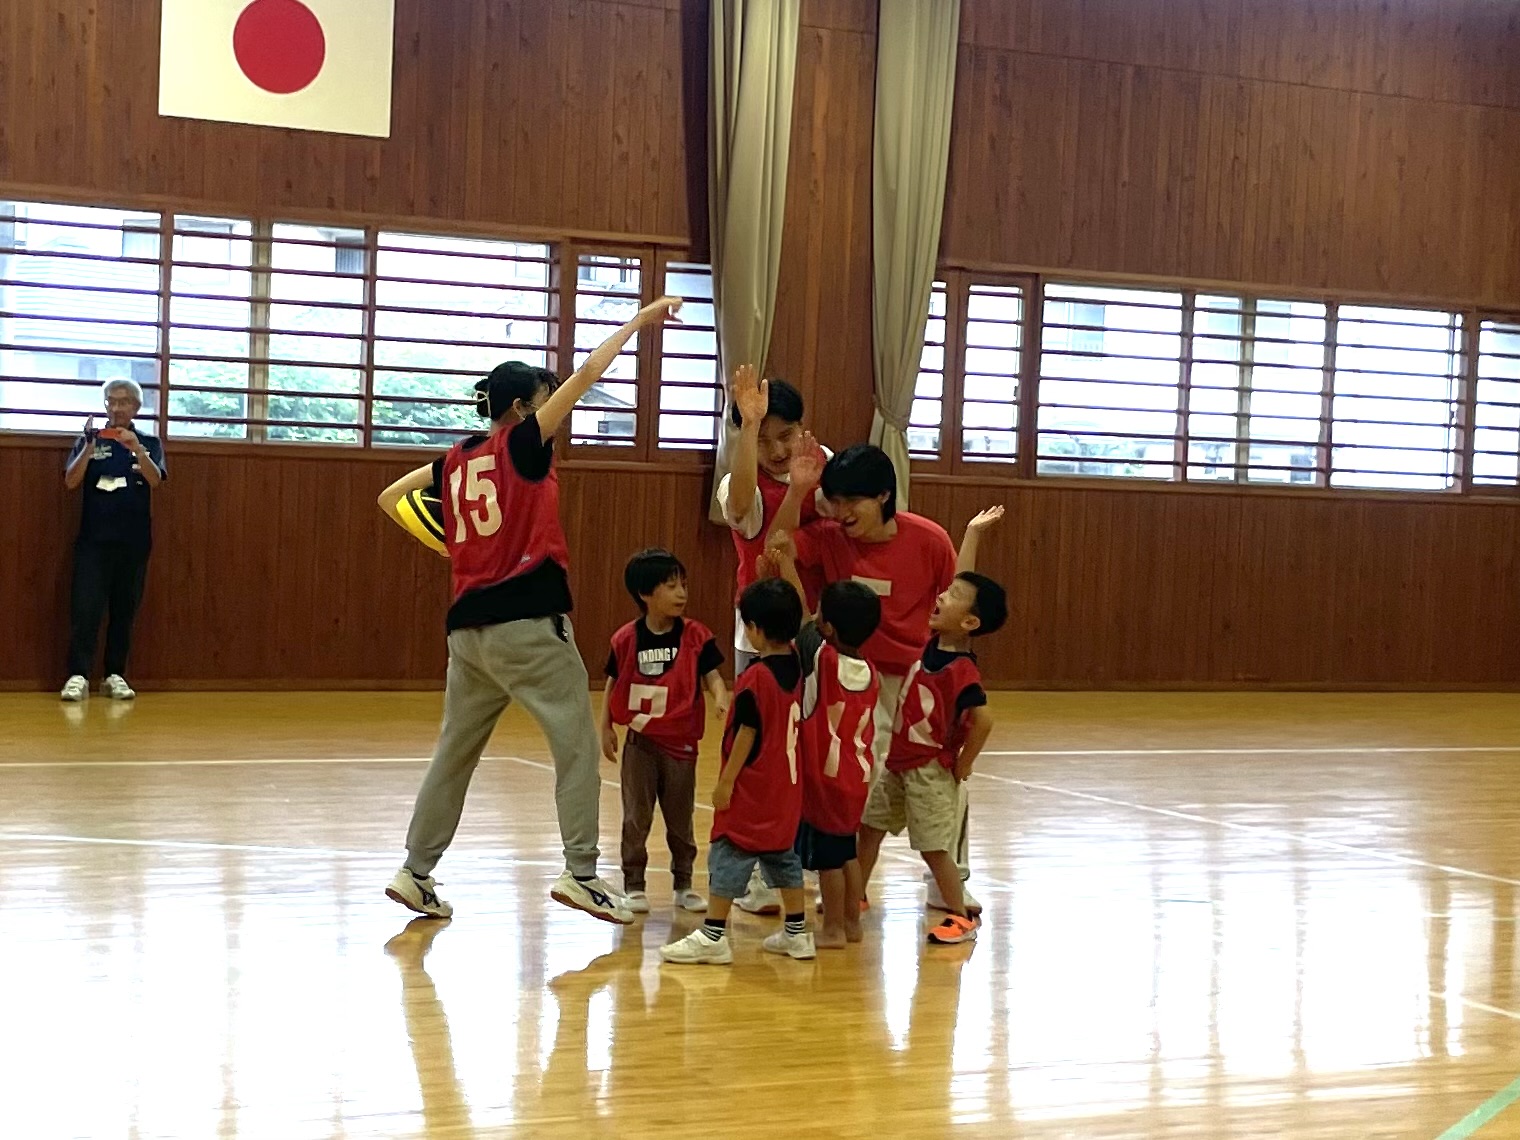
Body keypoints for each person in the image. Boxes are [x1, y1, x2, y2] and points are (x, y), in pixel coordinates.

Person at [377, 296, 683, 924]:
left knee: (453, 752)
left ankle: (415, 871)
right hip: (529, 626)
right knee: (574, 745)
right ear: (521, 408)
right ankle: (580, 874)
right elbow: (590, 373)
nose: (554, 407)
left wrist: (455, 543)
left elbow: (391, 497)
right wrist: (640, 320)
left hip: (467, 633)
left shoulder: (454, 459)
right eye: (545, 398)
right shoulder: (523, 443)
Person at [659, 578, 813, 965]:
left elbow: (748, 733)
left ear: (756, 629)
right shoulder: (796, 662)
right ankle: (797, 932)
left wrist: (726, 782)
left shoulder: (755, 679)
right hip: (787, 788)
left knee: (728, 853)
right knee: (783, 858)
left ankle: (713, 935)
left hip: (754, 788)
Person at [857, 569, 1008, 944]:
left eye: (954, 595)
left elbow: (984, 719)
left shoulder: (963, 671)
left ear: (970, 622)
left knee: (934, 848)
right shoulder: (930, 646)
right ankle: (854, 896)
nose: (942, 596)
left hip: (928, 770)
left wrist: (964, 763)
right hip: (898, 764)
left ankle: (960, 918)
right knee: (870, 828)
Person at [601, 548, 729, 916]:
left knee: (680, 818)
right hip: (640, 743)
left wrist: (720, 697)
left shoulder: (696, 637)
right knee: (635, 817)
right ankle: (634, 885)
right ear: (645, 594)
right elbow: (612, 682)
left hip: (682, 744)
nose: (681, 593)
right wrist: (606, 726)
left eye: (683, 585)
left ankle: (684, 884)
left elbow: (713, 677)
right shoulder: (625, 639)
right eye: (671, 586)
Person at [786, 571, 881, 949]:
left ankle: (833, 930)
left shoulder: (822, 659)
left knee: (828, 862)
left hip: (825, 777)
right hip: (857, 775)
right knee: (848, 854)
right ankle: (853, 924)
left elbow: (802, 621)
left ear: (828, 625)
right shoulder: (870, 670)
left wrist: (789, 564)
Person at [59, 380, 166, 703]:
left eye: (124, 402)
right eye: (111, 401)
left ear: (135, 407)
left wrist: (137, 450)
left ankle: (114, 675)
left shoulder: (148, 441)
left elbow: (156, 480)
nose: (117, 408)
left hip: (133, 542)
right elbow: (70, 481)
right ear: (105, 405)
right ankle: (78, 675)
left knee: (124, 610)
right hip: (94, 541)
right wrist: (89, 449)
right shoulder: (89, 440)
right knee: (86, 609)